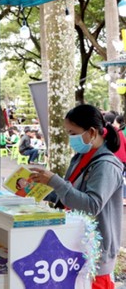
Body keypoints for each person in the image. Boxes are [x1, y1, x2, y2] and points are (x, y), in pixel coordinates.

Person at [30, 104, 122, 289]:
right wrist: (42, 189)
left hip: (94, 255)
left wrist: (55, 181)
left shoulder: (106, 165)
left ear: (92, 132)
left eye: (73, 133)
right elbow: (70, 193)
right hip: (73, 245)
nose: (70, 139)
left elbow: (91, 205)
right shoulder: (81, 157)